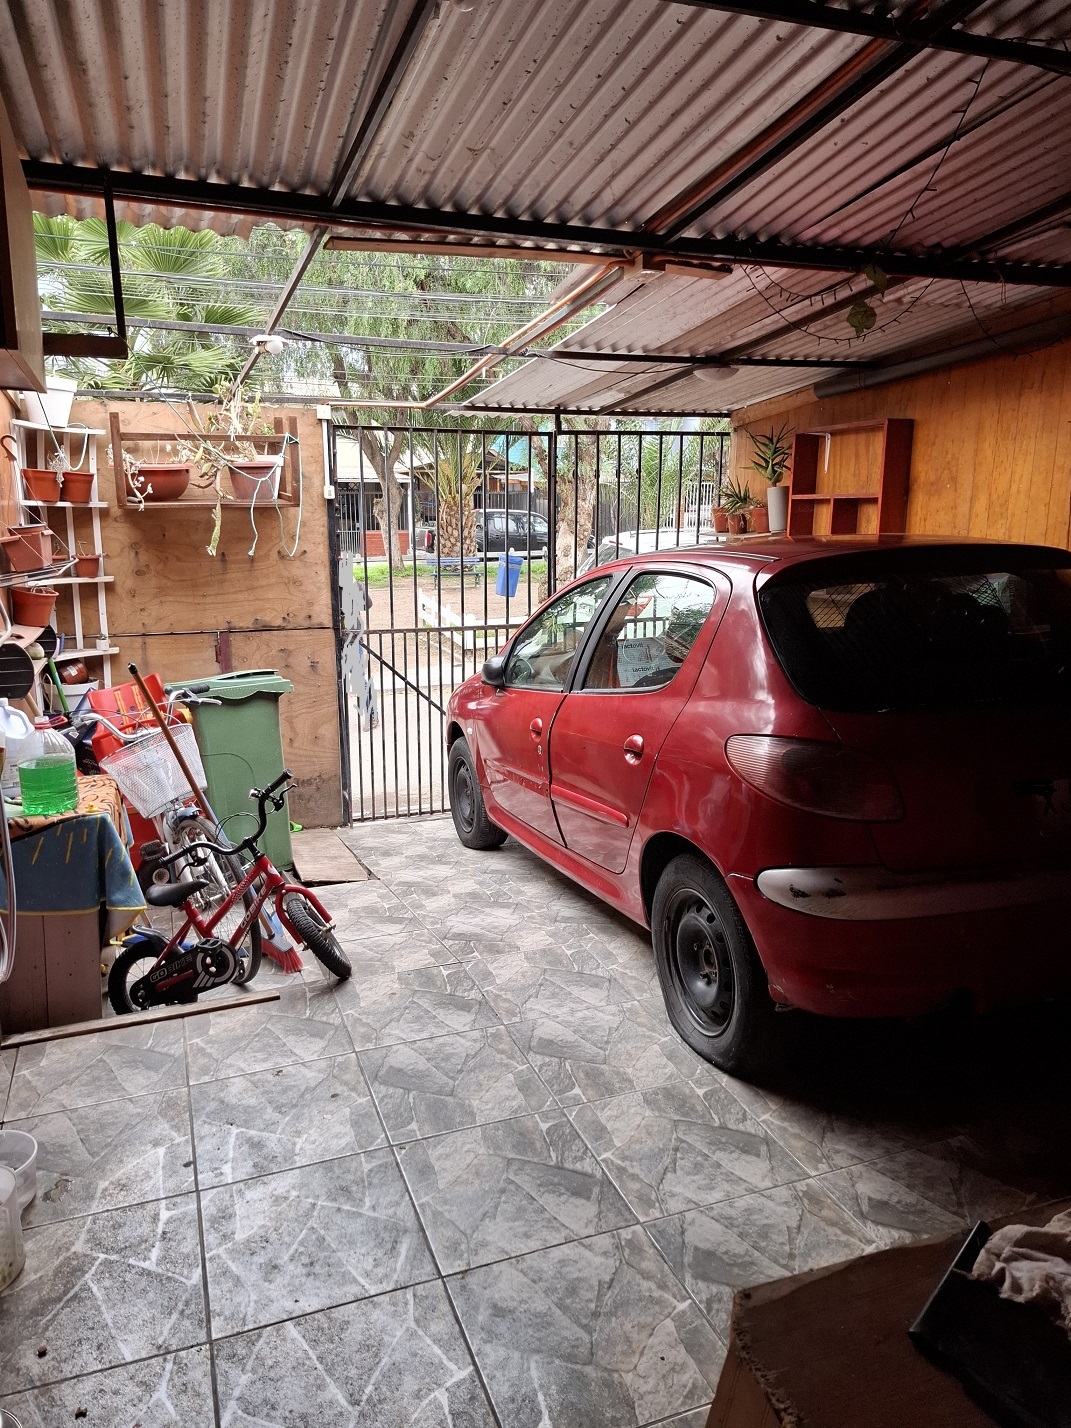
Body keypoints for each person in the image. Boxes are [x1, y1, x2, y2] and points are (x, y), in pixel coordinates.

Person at [337, 557, 379, 730]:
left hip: (352, 640)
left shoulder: (352, 586)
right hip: (333, 641)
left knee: (358, 680)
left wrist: (354, 583)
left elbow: (368, 604)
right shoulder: (328, 587)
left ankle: (372, 715)